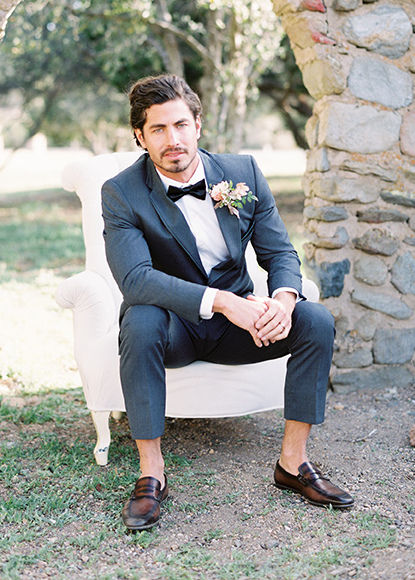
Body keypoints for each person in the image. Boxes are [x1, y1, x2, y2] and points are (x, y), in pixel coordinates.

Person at [101, 74, 354, 530]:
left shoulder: (243, 173)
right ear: (140, 136)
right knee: (139, 320)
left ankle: (293, 464)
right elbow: (136, 279)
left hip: (241, 327)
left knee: (314, 318)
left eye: (180, 124)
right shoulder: (121, 192)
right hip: (172, 327)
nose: (172, 139)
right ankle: (151, 473)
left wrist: (281, 299)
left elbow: (279, 252)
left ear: (197, 123)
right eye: (157, 129)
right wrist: (222, 302)